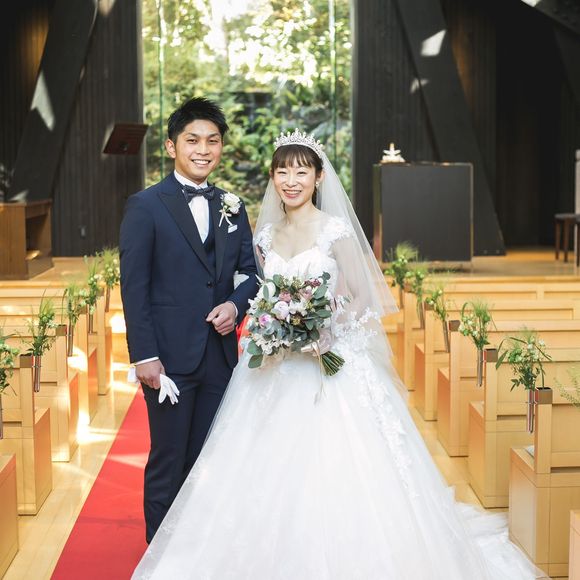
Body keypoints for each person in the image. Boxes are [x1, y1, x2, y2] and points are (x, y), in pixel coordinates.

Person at [132, 130, 542, 579]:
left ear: (319, 177)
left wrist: (326, 328)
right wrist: (274, 324)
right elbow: (262, 291)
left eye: (301, 171)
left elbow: (365, 298)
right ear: (272, 178)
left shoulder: (335, 231)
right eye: (282, 172)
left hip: (329, 365)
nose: (291, 181)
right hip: (275, 366)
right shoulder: (264, 236)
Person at [119, 97, 258, 543]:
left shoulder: (232, 206)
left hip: (219, 357)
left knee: (208, 460)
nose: (203, 149)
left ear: (221, 148)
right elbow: (134, 287)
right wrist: (145, 355)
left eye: (212, 141)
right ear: (171, 146)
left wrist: (235, 305)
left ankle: (200, 549)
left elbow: (251, 274)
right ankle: (162, 559)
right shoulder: (145, 206)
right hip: (168, 360)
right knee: (169, 458)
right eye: (192, 140)